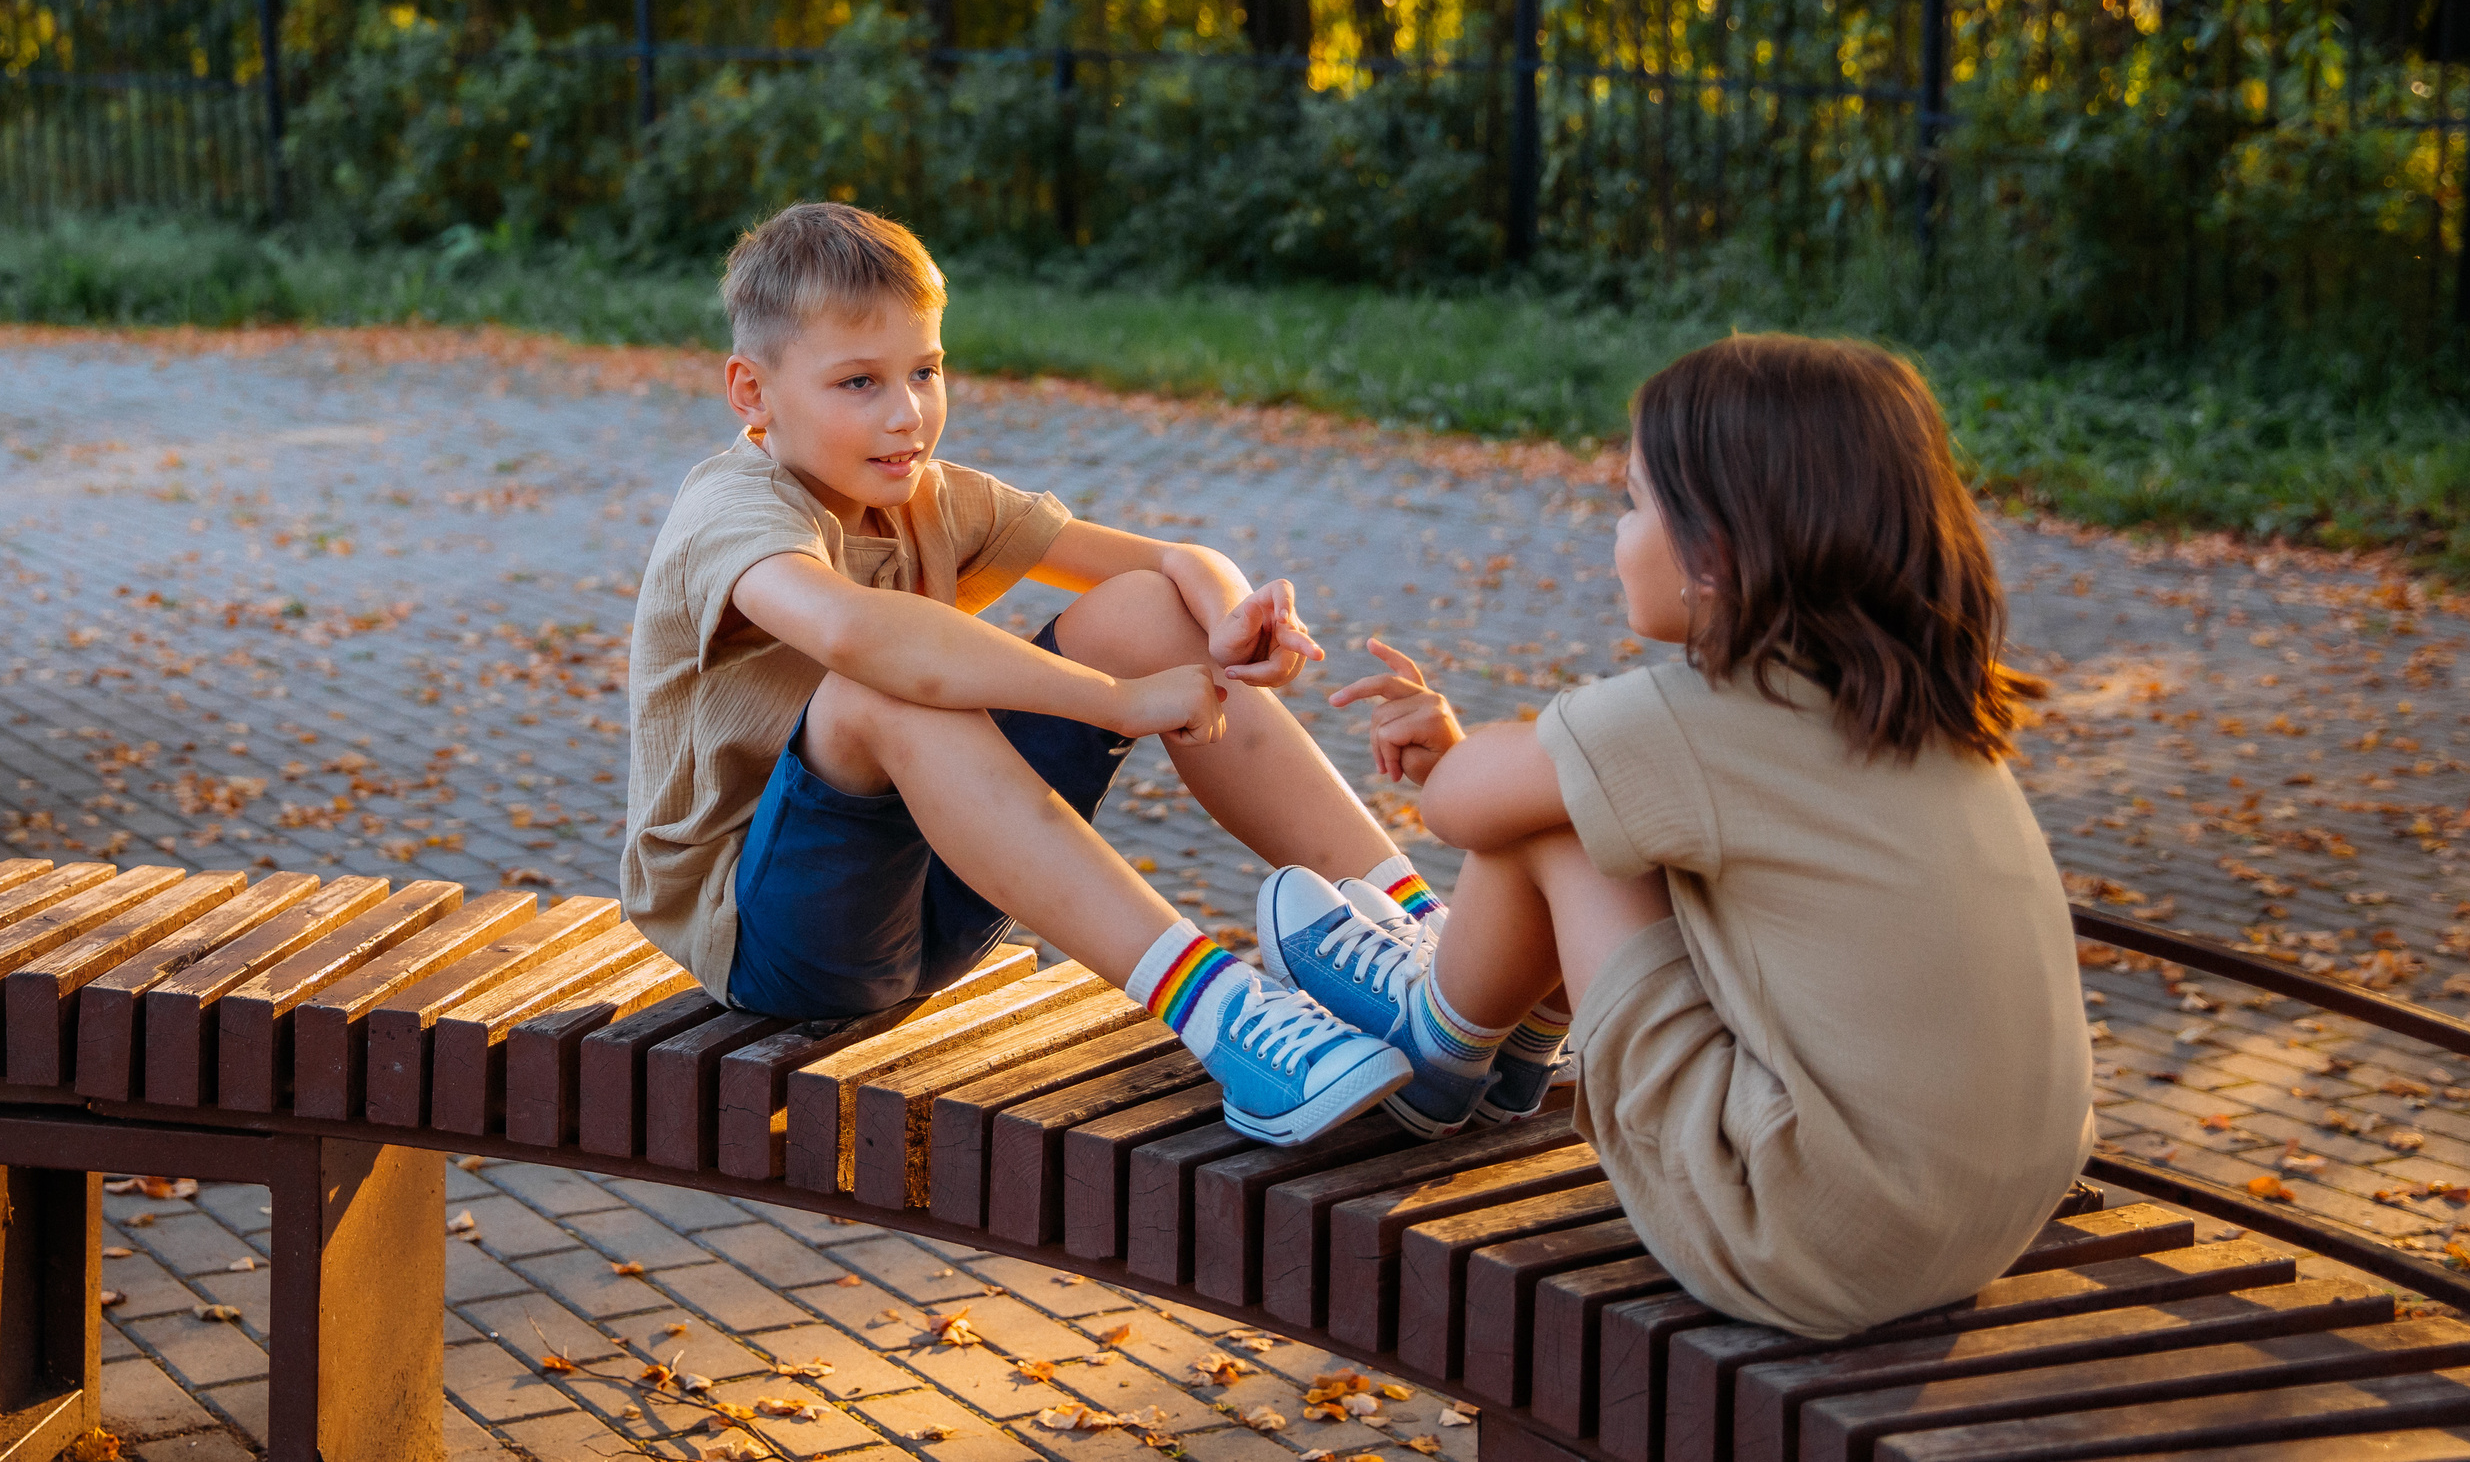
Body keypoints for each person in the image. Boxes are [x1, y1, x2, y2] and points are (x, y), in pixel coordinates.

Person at [1255, 333, 2096, 1337]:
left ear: (1718, 551)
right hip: (1982, 1214)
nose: (1615, 533)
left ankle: (1439, 1037)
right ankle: (1509, 1041)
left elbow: (1461, 810)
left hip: (1798, 1236)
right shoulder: (1929, 711)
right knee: (1582, 795)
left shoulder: (1697, 720)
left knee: (1562, 818)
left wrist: (1454, 747)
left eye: (1632, 502)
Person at [619, 200, 1435, 1147]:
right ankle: (1225, 1012)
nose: (905, 412)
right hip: (773, 941)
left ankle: (1416, 940)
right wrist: (1116, 701)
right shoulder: (733, 508)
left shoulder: (924, 492)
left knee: (1138, 608)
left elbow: (1172, 561)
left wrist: (1228, 621)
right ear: (752, 393)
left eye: (925, 370)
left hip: (942, 891)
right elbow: (855, 631)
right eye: (858, 382)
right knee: (882, 687)